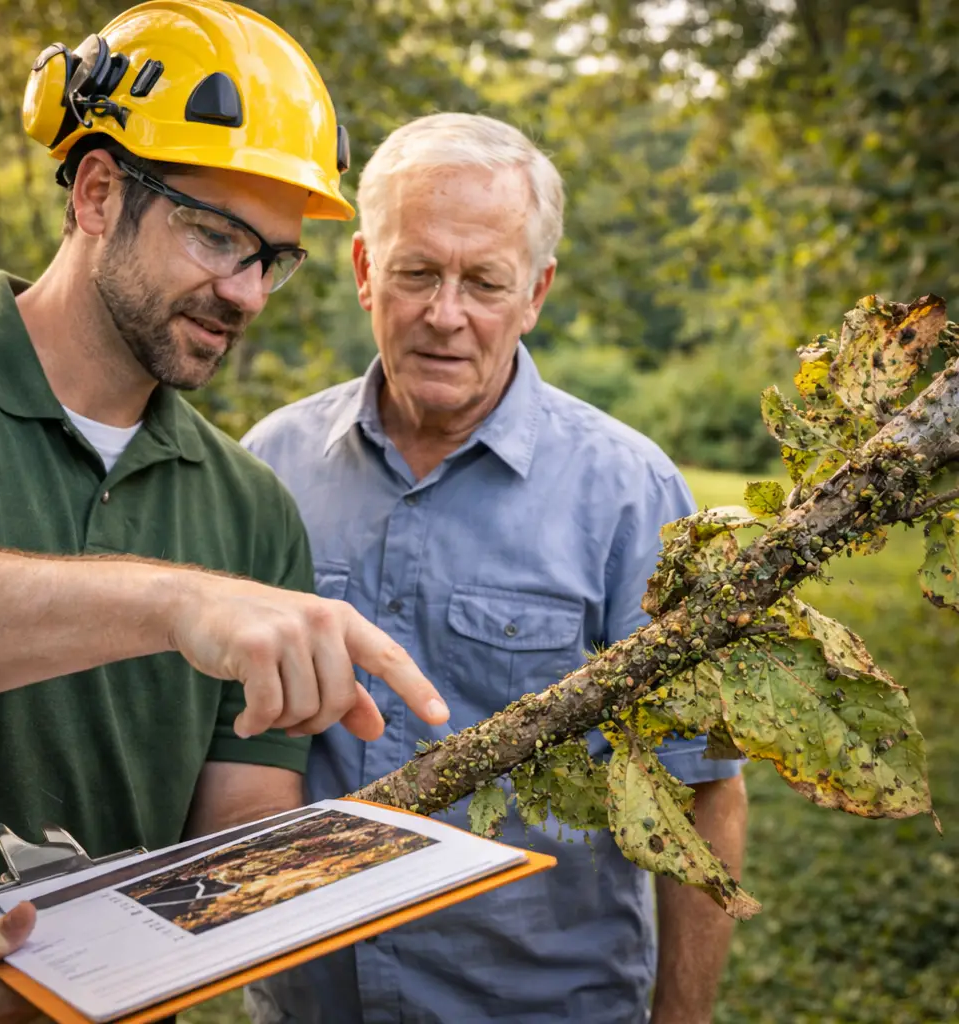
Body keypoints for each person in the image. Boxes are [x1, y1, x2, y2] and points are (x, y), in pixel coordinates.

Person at [0, 4, 449, 1022]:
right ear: (97, 193)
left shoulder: (249, 507)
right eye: (217, 236)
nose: (248, 293)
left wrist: (342, 862)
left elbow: (233, 834)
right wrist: (173, 603)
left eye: (274, 259)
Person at [242, 113, 749, 1024]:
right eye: (416, 273)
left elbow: (702, 788)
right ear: (363, 270)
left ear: (536, 292)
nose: (447, 315)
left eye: (484, 281)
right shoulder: (268, 467)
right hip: (312, 1003)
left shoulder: (631, 495)